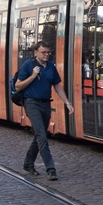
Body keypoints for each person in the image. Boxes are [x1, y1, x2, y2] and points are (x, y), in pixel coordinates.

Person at [14, 41, 74, 181]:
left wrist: (67, 102)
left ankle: (28, 163)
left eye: (48, 52)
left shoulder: (51, 66)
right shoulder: (28, 65)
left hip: (46, 104)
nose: (46, 55)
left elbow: (57, 86)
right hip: (31, 103)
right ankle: (51, 169)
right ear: (36, 53)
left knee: (39, 135)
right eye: (43, 52)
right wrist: (33, 76)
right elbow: (18, 86)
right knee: (42, 135)